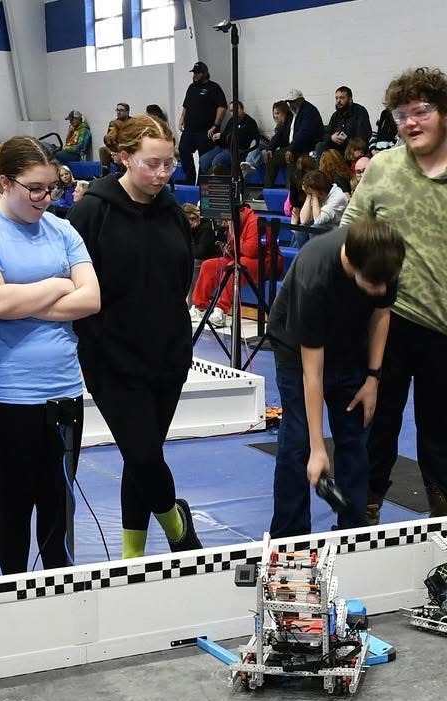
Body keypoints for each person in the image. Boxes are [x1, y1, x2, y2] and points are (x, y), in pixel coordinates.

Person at [0, 136, 100, 575]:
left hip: (63, 390)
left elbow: (92, 299)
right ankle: (13, 590)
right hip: (7, 394)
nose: (44, 197)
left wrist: (25, 301)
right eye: (34, 188)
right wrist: (59, 286)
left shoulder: (63, 229)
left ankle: (59, 591)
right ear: (4, 182)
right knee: (16, 499)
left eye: (51, 188)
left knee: (58, 500)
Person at [68, 114, 201, 558]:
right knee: (143, 454)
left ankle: (132, 555)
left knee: (141, 457)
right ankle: (176, 523)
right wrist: (98, 341)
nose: (162, 174)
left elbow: (182, 277)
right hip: (111, 359)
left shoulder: (172, 210)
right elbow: (77, 282)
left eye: (169, 164)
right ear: (124, 158)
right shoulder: (93, 210)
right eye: (151, 164)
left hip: (167, 356)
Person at [342, 67, 447, 521]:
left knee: (441, 434)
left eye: (421, 111)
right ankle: (361, 519)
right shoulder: (382, 169)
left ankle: (441, 524)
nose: (410, 122)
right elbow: (347, 235)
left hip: (443, 330)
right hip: (386, 323)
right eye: (400, 114)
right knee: (375, 426)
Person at [267, 219, 405, 538]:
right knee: (298, 440)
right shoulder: (315, 275)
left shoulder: (384, 260)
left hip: (349, 344)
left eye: (388, 282)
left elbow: (382, 313)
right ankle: (289, 536)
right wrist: (318, 449)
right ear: (350, 264)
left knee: (355, 435)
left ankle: (352, 530)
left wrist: (373, 378)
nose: (383, 290)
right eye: (374, 283)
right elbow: (312, 373)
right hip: (296, 347)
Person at [189, 203, 283, 327]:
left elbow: (251, 250)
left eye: (227, 219)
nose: (226, 222)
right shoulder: (234, 223)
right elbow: (236, 249)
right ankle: (200, 307)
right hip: (245, 259)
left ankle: (220, 310)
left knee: (234, 266)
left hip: (267, 262)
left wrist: (234, 240)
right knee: (208, 265)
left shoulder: (253, 221)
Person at [177, 61, 227, 185]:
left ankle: (202, 184)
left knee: (204, 159)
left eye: (198, 73)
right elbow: (186, 106)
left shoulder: (214, 88)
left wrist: (215, 125)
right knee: (182, 149)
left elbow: (222, 107)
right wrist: (181, 118)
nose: (195, 75)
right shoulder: (191, 87)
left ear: (204, 74)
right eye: (194, 73)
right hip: (190, 129)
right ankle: (189, 177)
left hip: (206, 131)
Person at [265, 89, 323, 188]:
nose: (291, 104)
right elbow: (281, 132)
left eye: (293, 101)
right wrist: (270, 147)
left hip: (307, 147)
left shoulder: (309, 111)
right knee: (272, 157)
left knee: (290, 158)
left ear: (301, 100)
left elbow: (304, 134)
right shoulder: (292, 113)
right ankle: (267, 189)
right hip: (294, 146)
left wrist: (291, 149)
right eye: (289, 102)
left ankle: (291, 193)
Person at [198, 101, 260, 174]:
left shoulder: (249, 122)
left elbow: (240, 139)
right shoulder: (231, 121)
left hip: (238, 150)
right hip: (225, 147)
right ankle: (209, 181)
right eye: (231, 111)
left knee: (218, 160)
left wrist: (222, 136)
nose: (234, 112)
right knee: (203, 160)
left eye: (236, 109)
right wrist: (217, 138)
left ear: (242, 109)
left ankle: (224, 183)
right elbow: (225, 135)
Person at [293, 170, 349, 247]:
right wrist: (309, 196)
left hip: (338, 230)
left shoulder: (338, 197)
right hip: (324, 226)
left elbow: (318, 220)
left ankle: (315, 257)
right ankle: (306, 257)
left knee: (315, 228)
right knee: (301, 229)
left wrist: (314, 195)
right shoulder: (317, 194)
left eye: (311, 192)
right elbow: (304, 220)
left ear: (320, 190)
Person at [316, 86, 372, 159]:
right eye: (336, 98)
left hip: (353, 149)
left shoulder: (360, 112)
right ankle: (322, 170)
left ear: (350, 99)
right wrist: (331, 138)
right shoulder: (335, 115)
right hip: (338, 149)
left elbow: (363, 137)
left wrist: (347, 140)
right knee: (320, 146)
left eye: (342, 98)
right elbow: (326, 134)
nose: (338, 101)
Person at [241, 100, 292, 176]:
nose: (275, 116)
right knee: (256, 142)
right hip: (274, 146)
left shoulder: (288, 124)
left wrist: (271, 146)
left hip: (281, 149)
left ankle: (249, 164)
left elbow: (281, 140)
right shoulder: (280, 125)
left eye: (278, 113)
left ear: (285, 112)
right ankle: (248, 163)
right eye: (274, 114)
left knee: (262, 153)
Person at [99, 102, 131, 173]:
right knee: (103, 150)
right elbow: (108, 141)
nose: (118, 112)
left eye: (121, 110)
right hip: (115, 149)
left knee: (124, 155)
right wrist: (113, 152)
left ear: (127, 112)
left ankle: (124, 176)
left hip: (127, 149)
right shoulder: (113, 123)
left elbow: (132, 141)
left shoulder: (133, 123)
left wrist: (120, 153)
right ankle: (105, 173)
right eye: (117, 110)